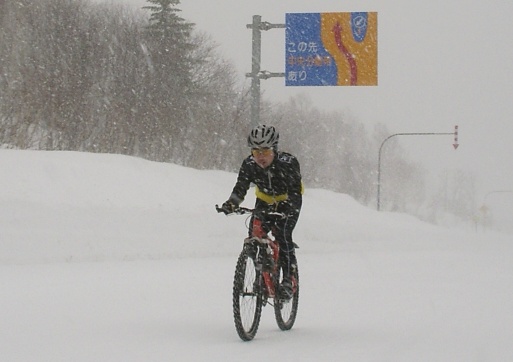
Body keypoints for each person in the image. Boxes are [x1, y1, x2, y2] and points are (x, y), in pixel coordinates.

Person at [220, 125, 303, 300]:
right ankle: (261, 268)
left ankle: (288, 279)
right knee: (255, 233)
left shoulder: (288, 163)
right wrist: (231, 203)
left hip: (287, 201)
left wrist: (289, 211)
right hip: (264, 201)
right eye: (256, 151)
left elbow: (295, 192)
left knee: (283, 234)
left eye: (265, 151)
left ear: (274, 149)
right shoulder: (249, 164)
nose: (260, 157)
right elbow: (241, 187)